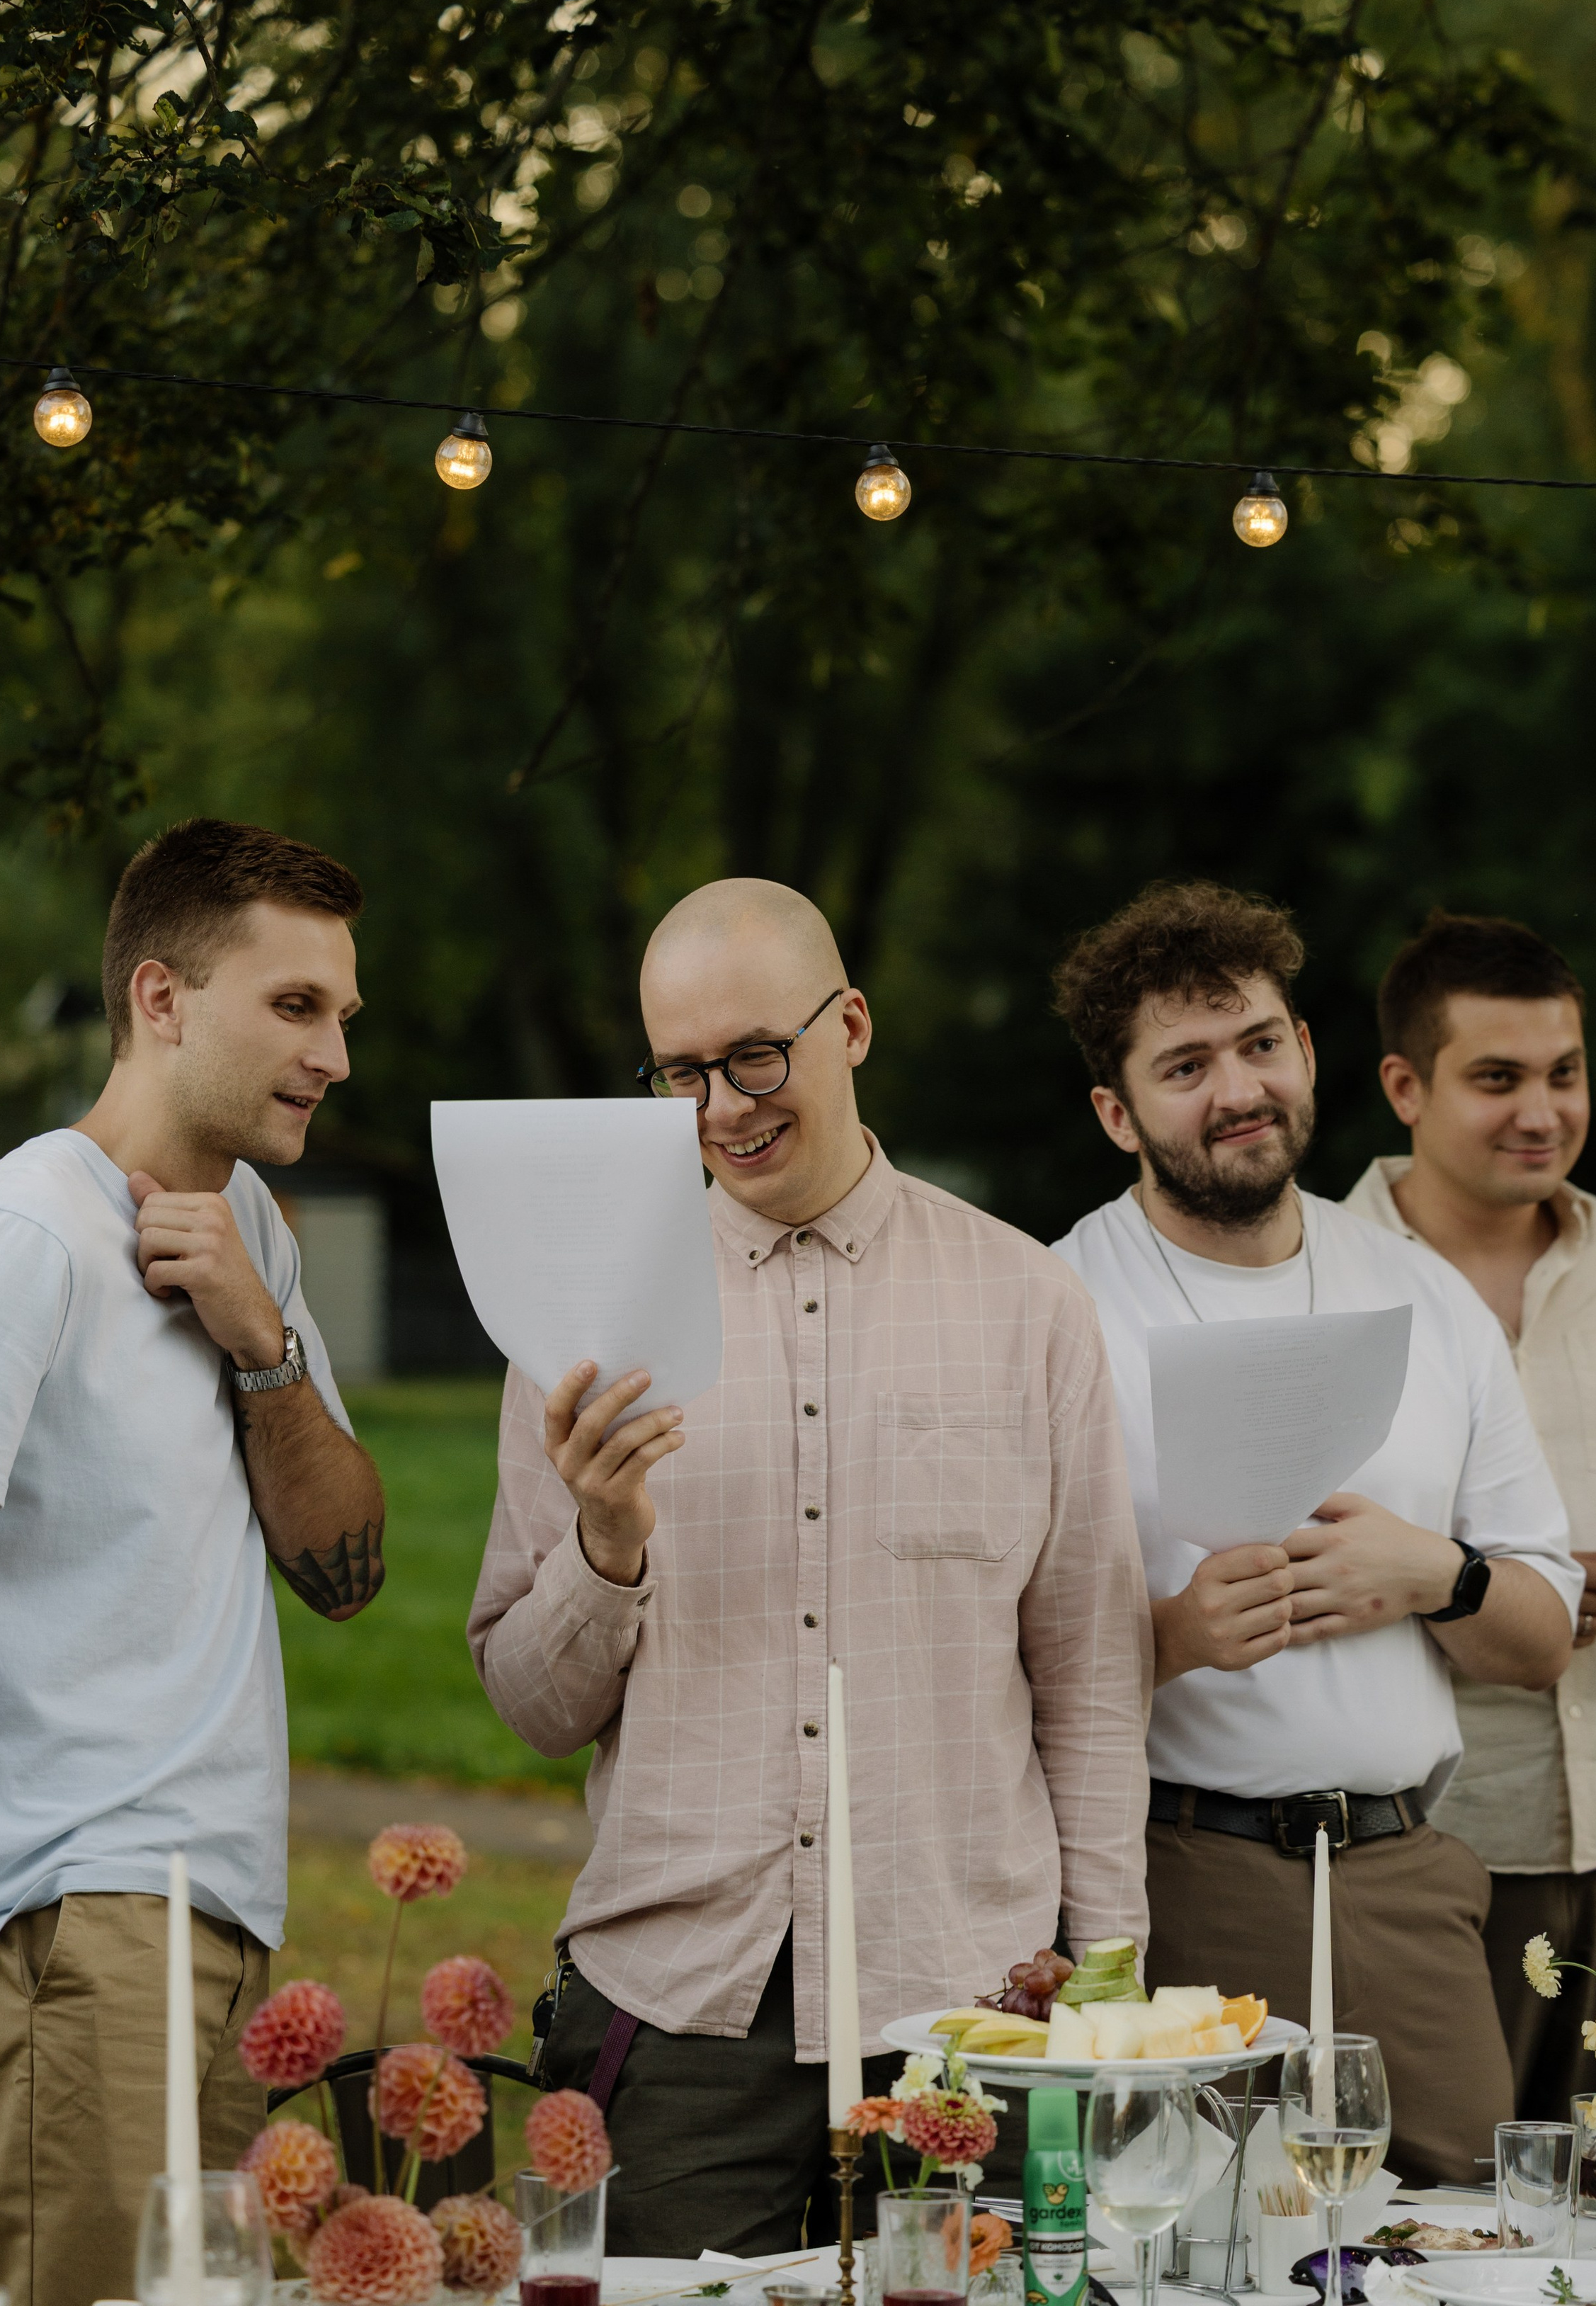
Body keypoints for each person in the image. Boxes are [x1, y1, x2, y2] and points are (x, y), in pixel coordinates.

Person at [470, 877, 1152, 2255]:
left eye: (753, 1056)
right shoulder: (581, 1320)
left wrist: (1102, 1994)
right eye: (680, 1072)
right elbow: (534, 1711)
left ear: (849, 1025)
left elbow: (1088, 1680)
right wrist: (604, 1550)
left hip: (967, 2011)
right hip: (677, 2015)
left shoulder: (1028, 1305)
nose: (721, 1105)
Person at [0, 817, 384, 2306]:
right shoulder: (26, 1230)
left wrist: (263, 1351)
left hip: (209, 1911)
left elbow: (342, 1570)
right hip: (64, 1920)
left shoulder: (251, 1238)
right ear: (160, 999)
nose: (336, 1054)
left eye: (344, 1015)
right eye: (296, 1007)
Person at [1047, 880, 1580, 2188]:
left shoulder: (1426, 1298)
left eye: (1261, 1044)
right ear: (1116, 1112)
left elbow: (1545, 1639)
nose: (1239, 1089)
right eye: (1186, 1065)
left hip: (1409, 1878)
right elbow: (971, 1666)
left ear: (1308, 1053)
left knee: (1473, 2243)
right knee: (1203, 2254)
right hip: (1183, 1878)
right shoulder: (1053, 1308)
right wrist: (1170, 1638)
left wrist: (1436, 1577)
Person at [1347, 910, 1596, 2117]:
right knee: (1459, 2211)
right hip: (1444, 1849)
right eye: (1497, 1079)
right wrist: (1506, 1590)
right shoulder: (1325, 1281)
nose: (1541, 1112)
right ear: (1405, 1085)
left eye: (1564, 1073)